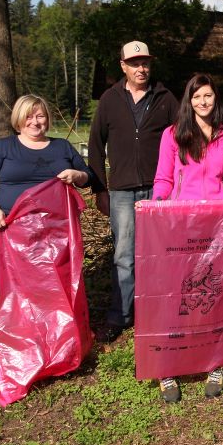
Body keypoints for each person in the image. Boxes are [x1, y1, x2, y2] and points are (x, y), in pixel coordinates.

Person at [149, 73, 223, 403]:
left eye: (208, 96)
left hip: (218, 226)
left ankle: (216, 361)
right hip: (180, 224)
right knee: (176, 291)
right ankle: (168, 366)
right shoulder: (173, 135)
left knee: (213, 290)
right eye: (197, 97)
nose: (203, 102)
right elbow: (163, 178)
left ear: (216, 98)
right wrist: (159, 208)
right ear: (189, 101)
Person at [88, 41, 178, 343]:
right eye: (135, 63)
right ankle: (120, 316)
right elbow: (95, 146)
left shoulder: (165, 98)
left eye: (146, 63)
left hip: (159, 188)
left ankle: (155, 312)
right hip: (122, 192)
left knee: (159, 254)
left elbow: (181, 140)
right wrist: (100, 189)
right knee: (124, 256)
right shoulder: (109, 99)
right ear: (123, 66)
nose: (141, 68)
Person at [0, 94, 94, 226]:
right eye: (28, 117)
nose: (35, 122)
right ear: (18, 119)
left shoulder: (62, 146)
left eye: (40, 116)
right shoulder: (3, 146)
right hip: (12, 226)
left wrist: (78, 175)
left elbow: (88, 178)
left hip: (58, 227)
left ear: (47, 119)